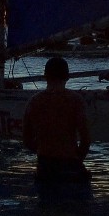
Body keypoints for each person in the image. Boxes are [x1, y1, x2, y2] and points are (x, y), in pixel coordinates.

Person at [22, 56, 91, 196]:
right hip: (70, 163)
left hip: (45, 165)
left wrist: (44, 149)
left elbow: (26, 140)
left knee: (46, 212)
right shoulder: (75, 101)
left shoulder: (33, 102)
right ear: (68, 76)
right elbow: (85, 139)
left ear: (45, 76)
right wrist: (77, 159)